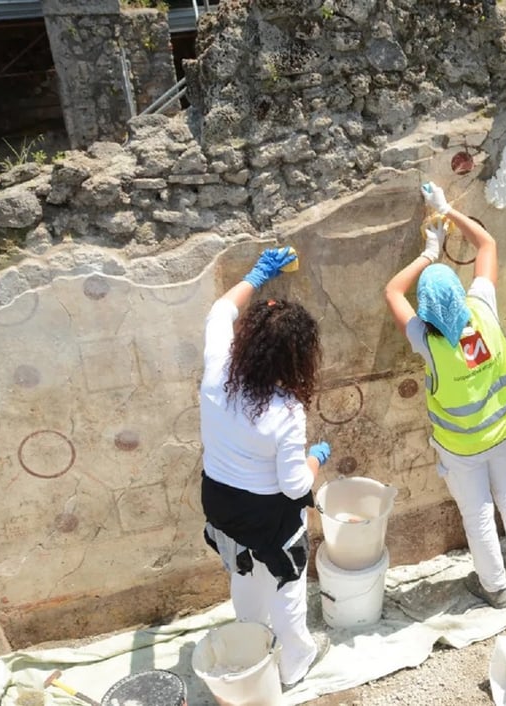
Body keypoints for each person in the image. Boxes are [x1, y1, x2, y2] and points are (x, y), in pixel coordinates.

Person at [384, 182, 506, 609]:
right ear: (458, 293)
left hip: (462, 448)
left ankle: (495, 590)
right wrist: (447, 210)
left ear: (427, 310)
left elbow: (392, 293)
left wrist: (428, 253)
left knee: (477, 515)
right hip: (505, 431)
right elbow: (487, 243)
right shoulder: (482, 307)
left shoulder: (427, 341)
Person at [199, 246, 330, 691]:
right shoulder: (286, 412)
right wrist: (318, 458)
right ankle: (295, 664)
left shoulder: (217, 371)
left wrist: (257, 275)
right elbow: (294, 487)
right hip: (269, 517)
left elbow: (219, 312)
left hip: (221, 504)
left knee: (244, 575)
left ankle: (249, 644)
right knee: (288, 591)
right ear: (294, 360)